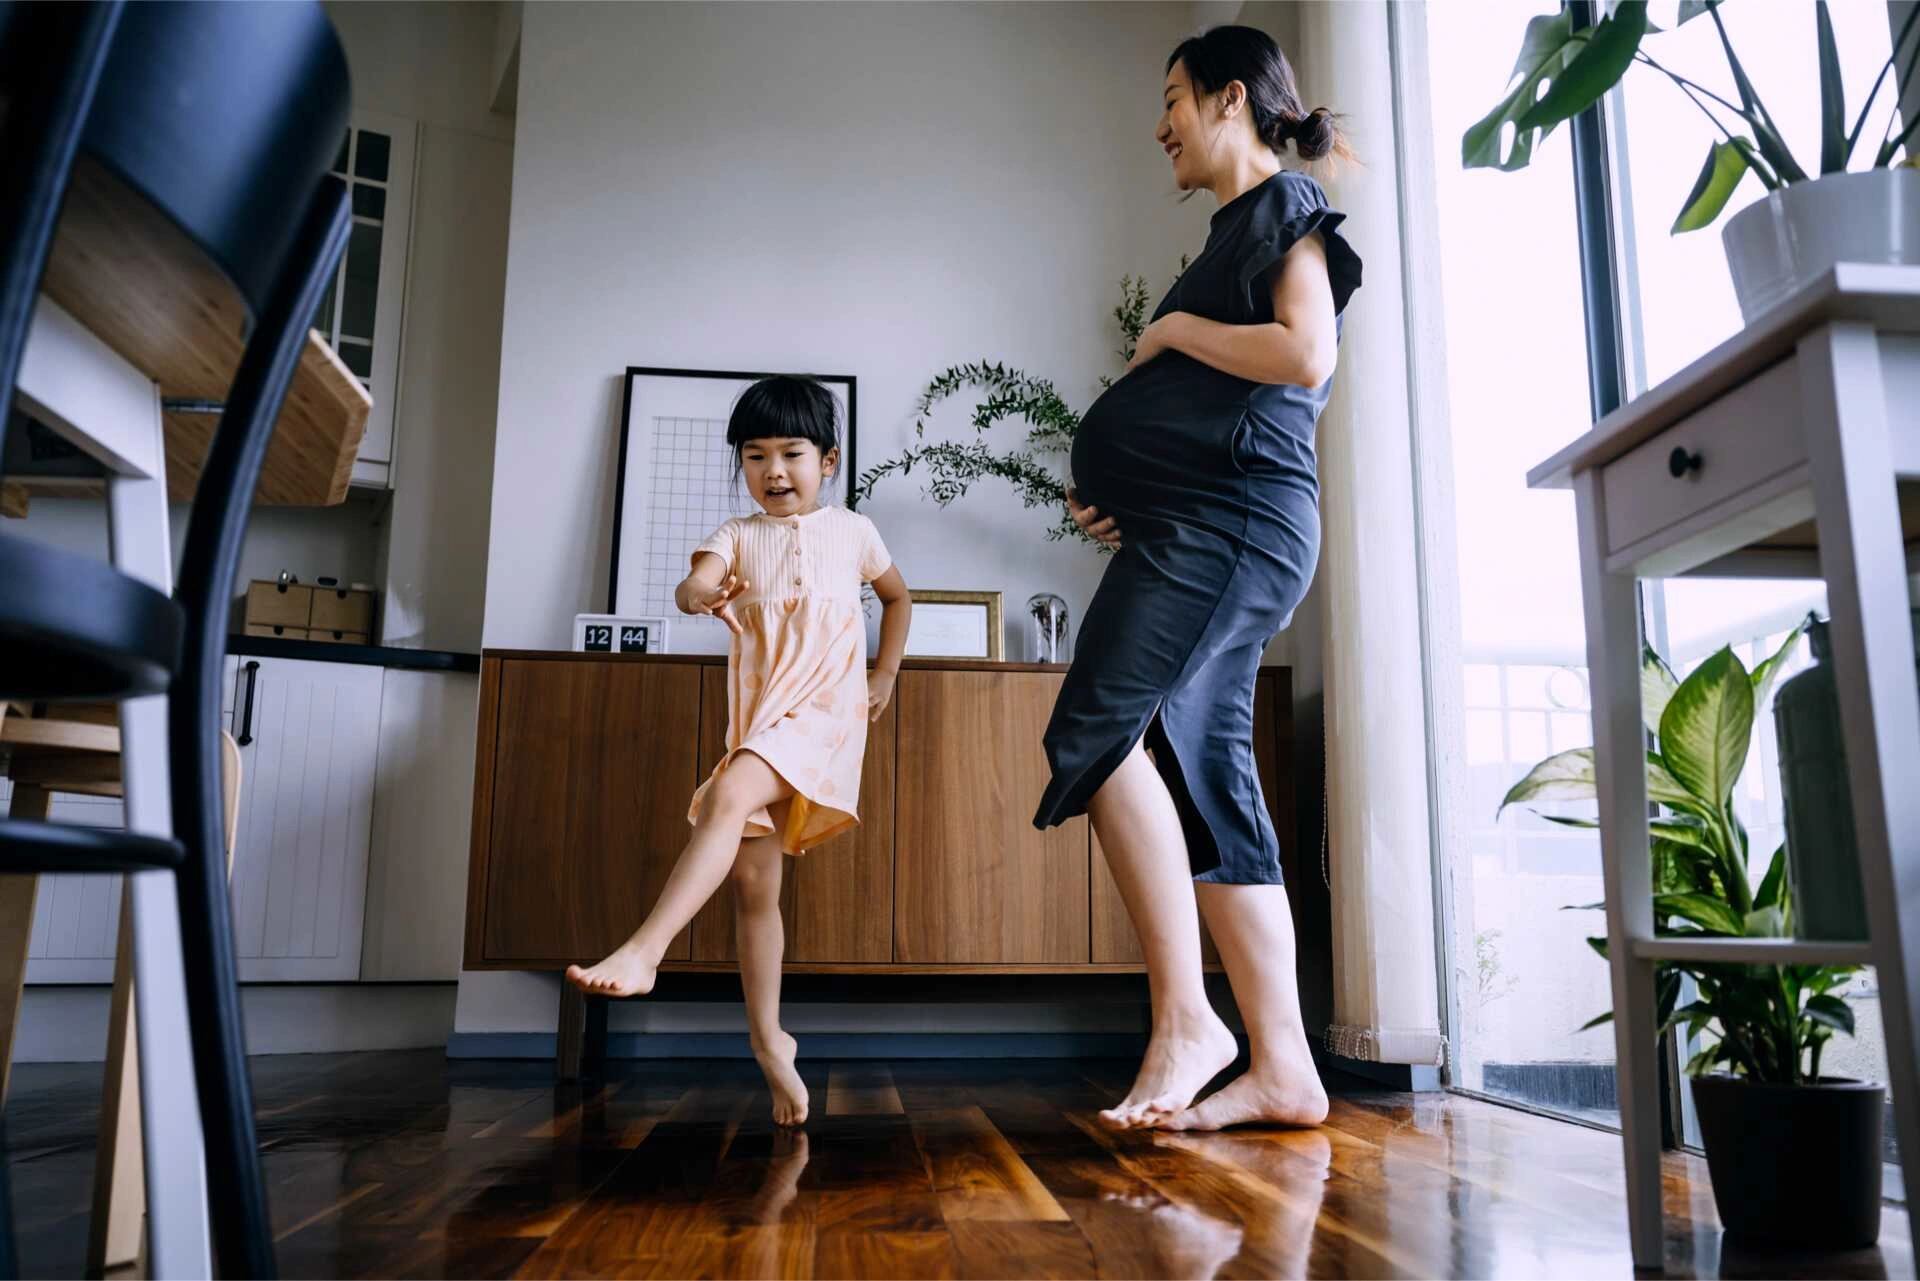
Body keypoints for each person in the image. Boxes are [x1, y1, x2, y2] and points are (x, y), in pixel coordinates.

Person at [1034, 25, 1363, 1131]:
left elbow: (1305, 354)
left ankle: (1187, 1020)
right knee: (1205, 763)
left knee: (1098, 725)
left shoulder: (1282, 206)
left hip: (1235, 526)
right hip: (1200, 524)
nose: (1159, 121)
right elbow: (1215, 408)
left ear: (1232, 98)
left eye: (1172, 96)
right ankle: (1284, 1068)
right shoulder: (1239, 224)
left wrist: (1173, 331)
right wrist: (1123, 488)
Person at [568, 375, 912, 1126]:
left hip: (824, 712)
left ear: (829, 458)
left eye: (791, 453)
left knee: (726, 798)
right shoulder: (735, 536)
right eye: (755, 456)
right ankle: (769, 1039)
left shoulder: (854, 532)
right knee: (753, 886)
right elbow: (695, 586)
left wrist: (884, 672)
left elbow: (897, 598)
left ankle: (644, 950)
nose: (774, 471)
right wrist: (699, 593)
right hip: (758, 720)